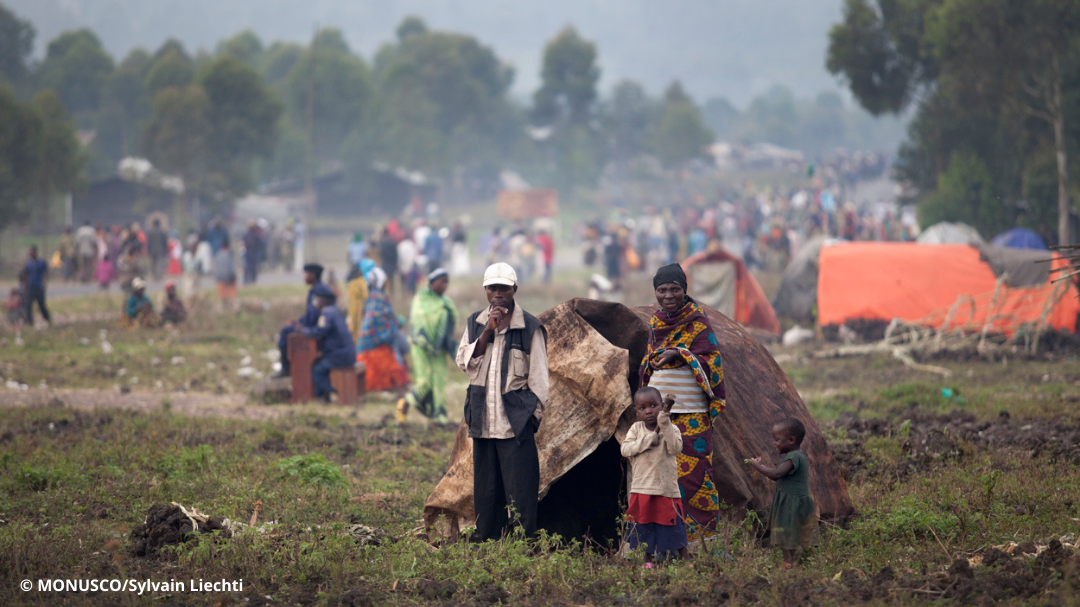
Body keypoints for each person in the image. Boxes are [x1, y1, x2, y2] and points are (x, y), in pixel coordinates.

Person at [455, 263, 548, 541]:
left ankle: (521, 545)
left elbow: (540, 379)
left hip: (515, 425)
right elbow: (464, 363)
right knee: (486, 490)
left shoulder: (530, 327)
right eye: (492, 288)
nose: (498, 294)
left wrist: (532, 417)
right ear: (485, 290)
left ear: (514, 290)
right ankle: (487, 541)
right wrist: (487, 330)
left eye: (504, 288)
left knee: (520, 490)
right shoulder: (475, 323)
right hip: (483, 422)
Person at [639, 263, 726, 544]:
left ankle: (703, 540)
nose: (668, 295)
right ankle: (666, 539)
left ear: (685, 290)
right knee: (661, 475)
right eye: (662, 290)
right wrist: (653, 360)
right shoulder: (655, 322)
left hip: (693, 414)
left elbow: (711, 361)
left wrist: (679, 353)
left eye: (675, 289)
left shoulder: (698, 321)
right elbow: (650, 357)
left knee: (696, 476)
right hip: (661, 416)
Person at [621, 388, 688, 564]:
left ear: (661, 406)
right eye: (642, 408)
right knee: (644, 526)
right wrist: (647, 440)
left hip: (666, 489)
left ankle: (685, 559)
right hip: (643, 487)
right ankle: (647, 561)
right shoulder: (636, 429)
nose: (649, 411)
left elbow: (676, 449)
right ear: (636, 412)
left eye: (653, 405)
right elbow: (625, 449)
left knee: (674, 526)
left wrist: (665, 425)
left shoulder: (671, 429)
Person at [750, 418, 817, 569]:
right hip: (790, 500)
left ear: (791, 440)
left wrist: (757, 466)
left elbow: (776, 474)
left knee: (787, 535)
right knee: (788, 534)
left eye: (777, 440)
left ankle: (789, 565)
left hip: (792, 502)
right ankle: (792, 563)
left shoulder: (794, 456)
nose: (774, 443)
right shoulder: (796, 455)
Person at [397, 268, 457, 424]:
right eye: (441, 282)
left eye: (446, 282)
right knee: (425, 381)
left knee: (439, 379)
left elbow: (449, 325)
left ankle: (440, 415)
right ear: (431, 282)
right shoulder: (420, 299)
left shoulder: (446, 303)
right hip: (420, 345)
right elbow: (418, 323)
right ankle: (406, 402)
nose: (444, 285)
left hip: (439, 348)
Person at [300, 283, 358, 401]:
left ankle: (328, 395)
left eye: (318, 300)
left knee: (317, 369)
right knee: (321, 365)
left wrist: (302, 330)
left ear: (325, 301)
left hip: (340, 356)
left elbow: (319, 331)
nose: (316, 302)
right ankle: (326, 394)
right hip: (347, 354)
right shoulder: (335, 311)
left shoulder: (327, 313)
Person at [355, 267, 408, 392]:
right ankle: (397, 385)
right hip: (378, 343)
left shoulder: (372, 298)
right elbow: (382, 321)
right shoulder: (380, 298)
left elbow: (384, 320)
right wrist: (394, 327)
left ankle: (397, 385)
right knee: (394, 349)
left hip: (368, 342)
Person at [274, 264, 326, 378]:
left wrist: (301, 325)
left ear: (313, 275)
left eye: (306, 274)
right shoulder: (316, 289)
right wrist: (298, 320)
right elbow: (310, 314)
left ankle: (285, 368)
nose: (304, 277)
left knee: (284, 332)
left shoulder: (319, 291)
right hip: (311, 325)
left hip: (314, 328)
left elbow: (314, 316)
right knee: (289, 327)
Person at [344, 259, 374, 344]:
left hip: (353, 312)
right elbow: (366, 296)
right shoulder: (361, 283)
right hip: (361, 312)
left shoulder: (351, 284)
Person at [22, 246, 50, 326]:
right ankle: (30, 323)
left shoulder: (41, 262)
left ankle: (47, 319)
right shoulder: (28, 264)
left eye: (32, 252)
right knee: (28, 306)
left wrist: (44, 284)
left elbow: (45, 273)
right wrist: (24, 286)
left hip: (39, 287)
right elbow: (25, 275)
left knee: (41, 306)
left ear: (35, 252)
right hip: (30, 287)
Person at [214, 241, 238, 311]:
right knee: (232, 297)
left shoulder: (217, 254)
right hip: (229, 279)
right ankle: (234, 310)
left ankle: (221, 310)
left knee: (221, 298)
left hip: (220, 279)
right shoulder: (229, 254)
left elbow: (216, 269)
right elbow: (232, 268)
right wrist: (234, 277)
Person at [243, 220, 262, 284]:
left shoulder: (256, 235)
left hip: (254, 253)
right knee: (247, 267)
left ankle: (253, 281)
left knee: (253, 268)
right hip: (248, 253)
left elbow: (259, 244)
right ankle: (246, 281)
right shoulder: (247, 235)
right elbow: (244, 243)